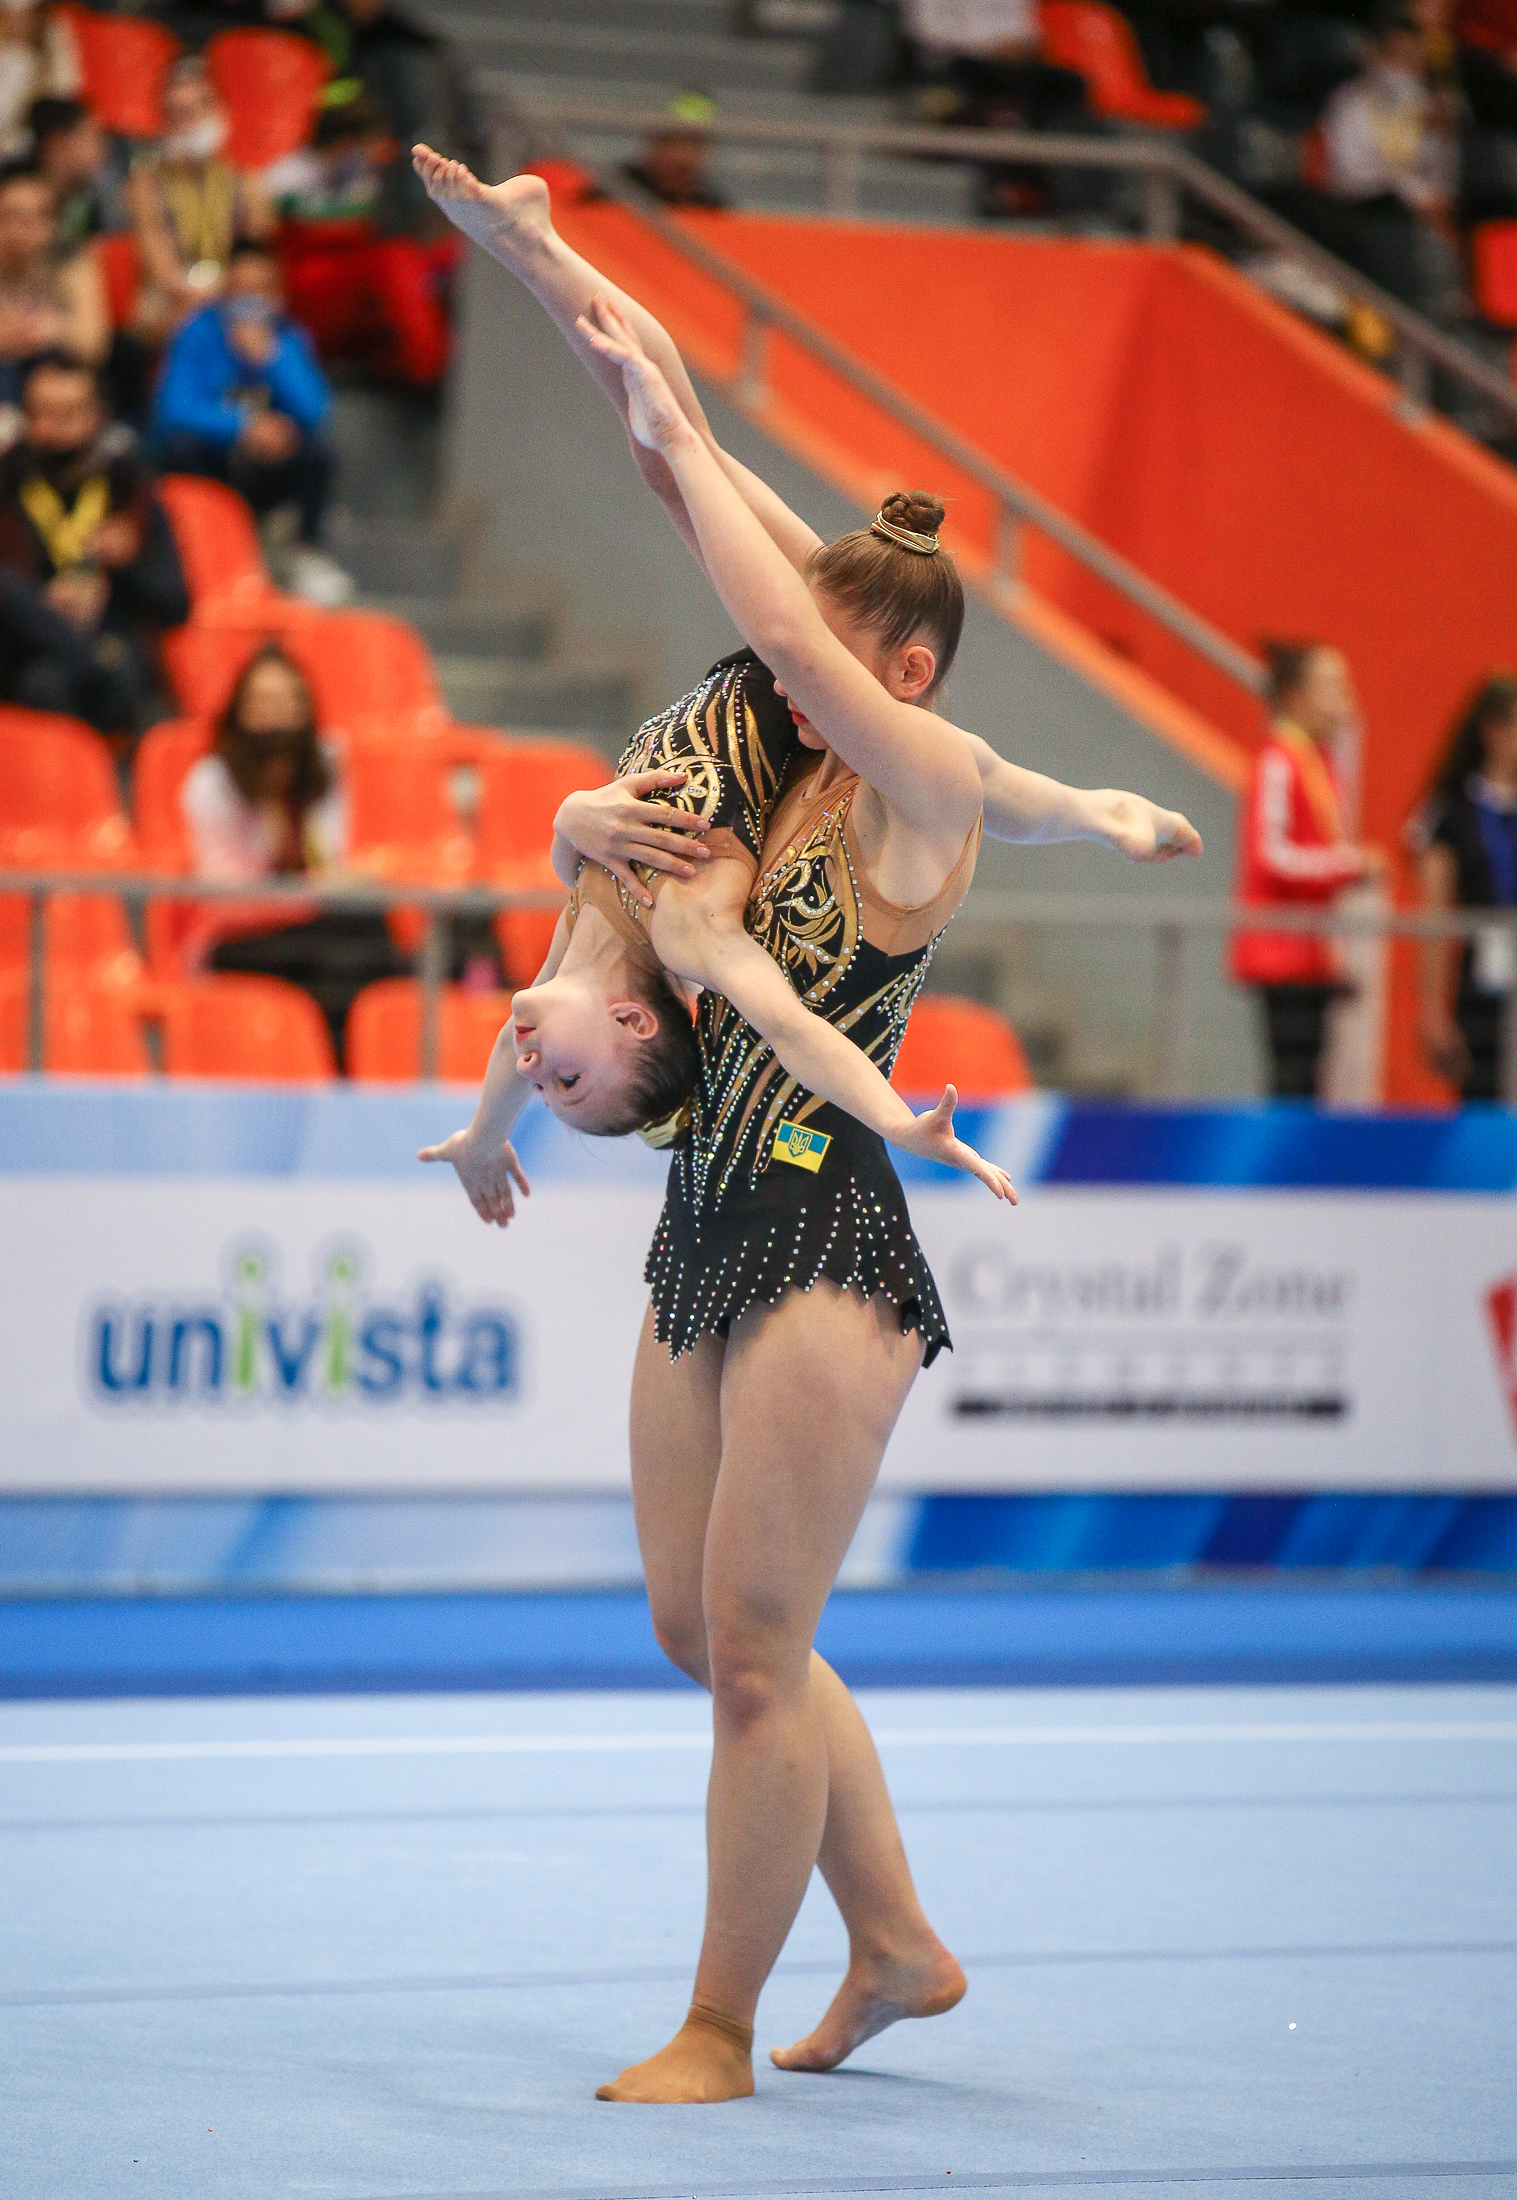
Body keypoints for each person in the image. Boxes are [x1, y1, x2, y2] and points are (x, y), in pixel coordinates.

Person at [413, 147, 1205, 2105]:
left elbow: (753, 580)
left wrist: (1085, 808)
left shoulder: (923, 783)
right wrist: (551, 272)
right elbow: (679, 446)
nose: (783, 680)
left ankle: (713, 2028)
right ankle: (898, 1942)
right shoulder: (796, 757)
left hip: (830, 1229)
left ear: (899, 675)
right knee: (699, 1626)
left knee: (760, 1652)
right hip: (704, 1209)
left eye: (823, 660)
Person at [180, 640, 411, 1062]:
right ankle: (346, 1070)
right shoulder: (212, 781)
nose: (277, 714)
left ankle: (366, 1063)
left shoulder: (324, 766)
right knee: (347, 953)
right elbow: (224, 897)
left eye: (288, 701)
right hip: (237, 938)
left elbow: (328, 862)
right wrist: (309, 887)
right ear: (239, 711)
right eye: (264, 702)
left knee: (366, 931)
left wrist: (332, 883)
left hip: (309, 925)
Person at [152, 239, 353, 604]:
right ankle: (189, 551)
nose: (250, 300)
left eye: (260, 289)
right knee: (181, 449)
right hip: (215, 462)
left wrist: (272, 359)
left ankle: (303, 554)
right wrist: (243, 425)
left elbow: (315, 411)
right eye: (241, 289)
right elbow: (174, 409)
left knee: (318, 453)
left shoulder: (288, 335)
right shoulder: (197, 331)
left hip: (269, 466)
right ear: (225, 291)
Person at [0, 347, 187, 730]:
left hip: (114, 648)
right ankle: (84, 653)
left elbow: (176, 603)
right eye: (40, 413)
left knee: (98, 676)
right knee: (42, 681)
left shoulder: (129, 489)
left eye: (68, 413)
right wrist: (43, 604)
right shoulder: (6, 484)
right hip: (25, 657)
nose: (52, 428)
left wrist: (127, 565)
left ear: (99, 415)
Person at [1230, 639, 1382, 1100]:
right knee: (1291, 1081)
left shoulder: (1318, 761)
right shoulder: (1279, 759)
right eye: (1332, 687)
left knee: (1307, 1081)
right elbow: (1270, 853)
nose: (1345, 700)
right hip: (1281, 951)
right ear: (1295, 697)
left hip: (1310, 951)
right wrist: (1350, 865)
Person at [268, 92, 456, 387]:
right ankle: (430, 364)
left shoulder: (362, 181)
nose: (380, 155)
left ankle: (421, 360)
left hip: (349, 295)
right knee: (395, 260)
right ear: (344, 144)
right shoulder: (283, 180)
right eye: (371, 145)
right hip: (302, 296)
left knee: (441, 256)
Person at [1320, 7, 1465, 321]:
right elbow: (1346, 177)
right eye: (1394, 56)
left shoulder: (1429, 115)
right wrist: (1408, 191)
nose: (1401, 69)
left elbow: (1441, 189)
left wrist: (1442, 135)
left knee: (1436, 250)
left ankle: (1440, 318)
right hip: (1361, 218)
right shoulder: (1350, 103)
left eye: (1410, 59)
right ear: (1376, 55)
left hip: (1411, 228)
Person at [1415, 671, 1517, 1100]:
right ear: (1494, 732)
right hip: (1481, 985)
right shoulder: (1451, 812)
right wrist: (1432, 1010)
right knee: (1484, 1099)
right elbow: (1434, 916)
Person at [126, 58, 273, 351]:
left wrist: (226, 291)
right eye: (177, 114)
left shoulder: (245, 178)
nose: (187, 124)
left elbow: (259, 255)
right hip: (173, 299)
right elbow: (158, 265)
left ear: (219, 110)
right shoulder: (146, 183)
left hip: (236, 291)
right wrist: (194, 296)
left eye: (196, 110)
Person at [0, 161, 108, 410]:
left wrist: (49, 329)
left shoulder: (71, 263)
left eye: (32, 218)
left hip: (55, 392)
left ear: (52, 224)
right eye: (9, 216)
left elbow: (94, 345)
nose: (19, 230)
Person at [26, 96, 130, 248]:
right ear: (58, 144)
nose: (106, 147)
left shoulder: (89, 200)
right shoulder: (15, 194)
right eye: (93, 138)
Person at [0, 0, 76, 163]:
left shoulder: (55, 43)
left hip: (24, 153)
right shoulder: (12, 56)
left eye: (27, 15)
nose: (19, 22)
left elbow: (65, 95)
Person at [624, 95, 728, 211]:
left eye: (692, 144)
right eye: (669, 141)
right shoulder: (616, 187)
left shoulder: (709, 206)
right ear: (652, 143)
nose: (679, 155)